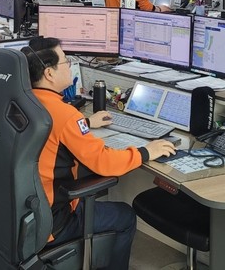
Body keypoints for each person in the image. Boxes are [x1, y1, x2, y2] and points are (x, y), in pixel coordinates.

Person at [24, 37, 176, 270]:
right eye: (66, 61)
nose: (70, 65)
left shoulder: (23, 100)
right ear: (49, 73)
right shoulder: (65, 116)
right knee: (124, 216)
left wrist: (85, 122)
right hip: (52, 220)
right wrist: (146, 151)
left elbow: (53, 130)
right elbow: (104, 163)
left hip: (24, 211)